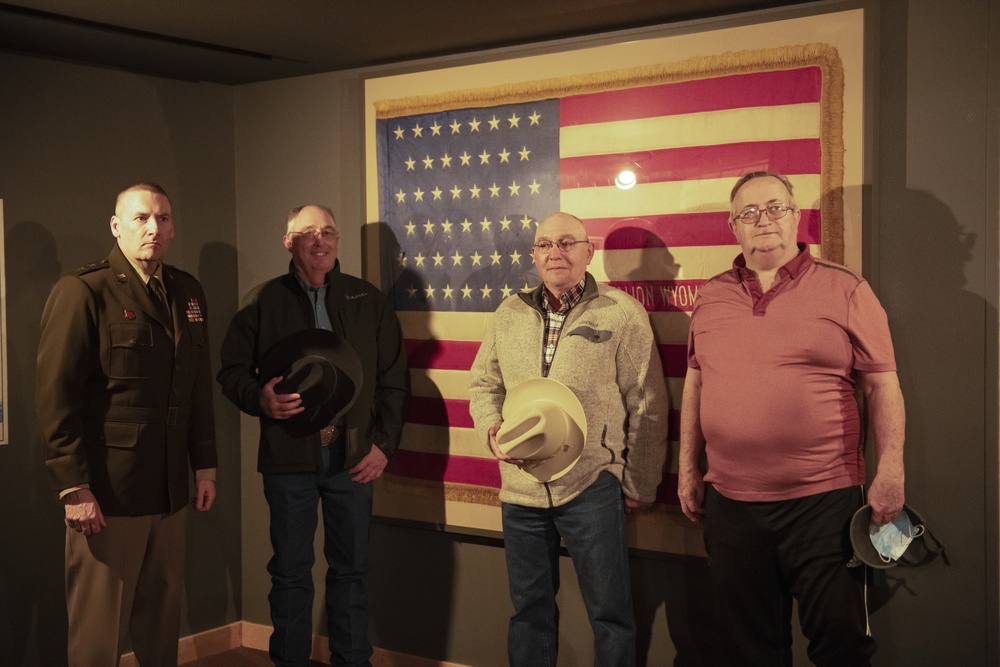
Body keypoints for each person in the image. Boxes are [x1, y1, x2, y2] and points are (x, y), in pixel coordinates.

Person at [678, 171, 906, 666]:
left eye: (776, 207)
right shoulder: (710, 295)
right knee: (748, 649)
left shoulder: (846, 288)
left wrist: (891, 470)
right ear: (733, 226)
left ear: (796, 217)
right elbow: (697, 381)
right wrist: (688, 467)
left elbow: (882, 383)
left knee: (841, 645)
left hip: (825, 502)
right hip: (732, 507)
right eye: (750, 212)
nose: (764, 220)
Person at [469, 211, 668, 666]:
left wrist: (639, 482)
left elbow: (648, 404)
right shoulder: (508, 312)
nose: (555, 252)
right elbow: (484, 384)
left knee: (610, 615)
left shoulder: (621, 313)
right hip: (520, 490)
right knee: (529, 613)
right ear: (533, 255)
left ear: (587, 252)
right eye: (544, 245)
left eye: (566, 242)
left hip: (591, 485)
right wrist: (492, 429)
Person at [217, 205, 408, 667]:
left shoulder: (368, 300)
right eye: (307, 233)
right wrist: (259, 399)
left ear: (337, 240)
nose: (320, 241)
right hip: (288, 461)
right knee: (289, 574)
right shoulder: (261, 302)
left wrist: (383, 445)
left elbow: (394, 379)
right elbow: (231, 372)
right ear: (289, 242)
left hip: (354, 458)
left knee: (352, 573)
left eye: (328, 232)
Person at [36, 182, 218, 667]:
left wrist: (205, 467)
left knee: (161, 627)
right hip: (108, 495)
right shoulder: (83, 291)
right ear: (116, 226)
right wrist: (73, 487)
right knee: (99, 636)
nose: (153, 228)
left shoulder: (186, 291)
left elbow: (196, 388)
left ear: (173, 226)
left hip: (170, 489)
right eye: (141, 218)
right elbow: (56, 398)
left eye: (162, 218)